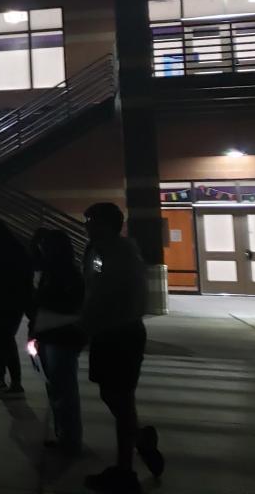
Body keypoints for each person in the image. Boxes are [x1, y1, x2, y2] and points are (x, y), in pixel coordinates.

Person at [80, 202, 165, 492]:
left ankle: (125, 471)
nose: (86, 225)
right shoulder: (106, 251)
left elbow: (103, 293)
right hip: (114, 331)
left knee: (120, 398)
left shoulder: (114, 252)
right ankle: (139, 440)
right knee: (113, 395)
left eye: (90, 220)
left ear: (105, 224)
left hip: (118, 332)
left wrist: (84, 325)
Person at [28, 229, 85, 454]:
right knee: (56, 387)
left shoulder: (67, 275)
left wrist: (40, 301)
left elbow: (68, 304)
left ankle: (70, 439)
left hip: (60, 336)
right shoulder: (51, 272)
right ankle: (64, 434)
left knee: (63, 388)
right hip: (49, 334)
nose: (42, 250)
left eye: (46, 246)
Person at [0, 220, 34, 396]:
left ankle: (11, 382)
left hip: (6, 302)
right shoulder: (19, 251)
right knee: (5, 340)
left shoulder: (0, 253)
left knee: (4, 340)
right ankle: (4, 379)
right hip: (17, 302)